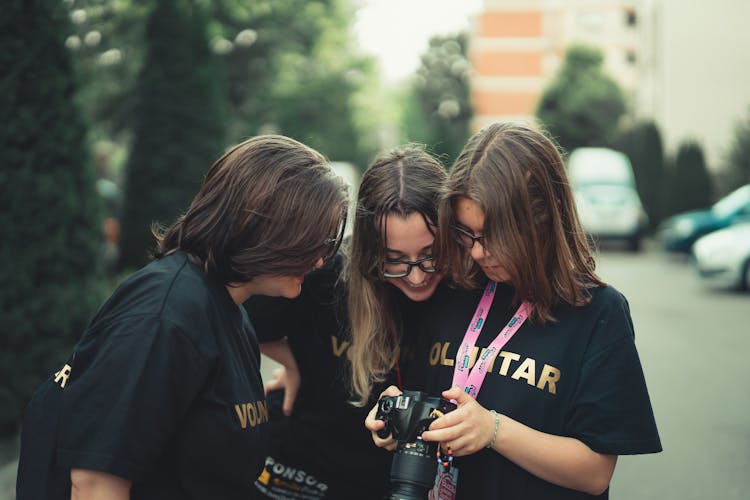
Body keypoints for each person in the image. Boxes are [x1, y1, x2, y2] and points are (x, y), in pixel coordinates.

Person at [15, 135, 349, 500]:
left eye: (328, 245)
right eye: (313, 243)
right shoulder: (164, 317)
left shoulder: (227, 308)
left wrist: (297, 364)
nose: (320, 260)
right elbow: (96, 485)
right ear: (265, 230)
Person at [366, 122, 662, 499]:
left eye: (491, 236)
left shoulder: (598, 312)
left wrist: (492, 430)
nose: (476, 252)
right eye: (466, 234)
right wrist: (398, 420)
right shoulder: (452, 292)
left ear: (541, 219)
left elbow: (594, 472)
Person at [245, 145, 447, 499]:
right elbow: (239, 316)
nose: (416, 277)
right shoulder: (324, 276)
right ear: (369, 250)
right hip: (305, 469)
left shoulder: (467, 295)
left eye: (430, 256)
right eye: (395, 259)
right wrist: (294, 364)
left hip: (397, 481)